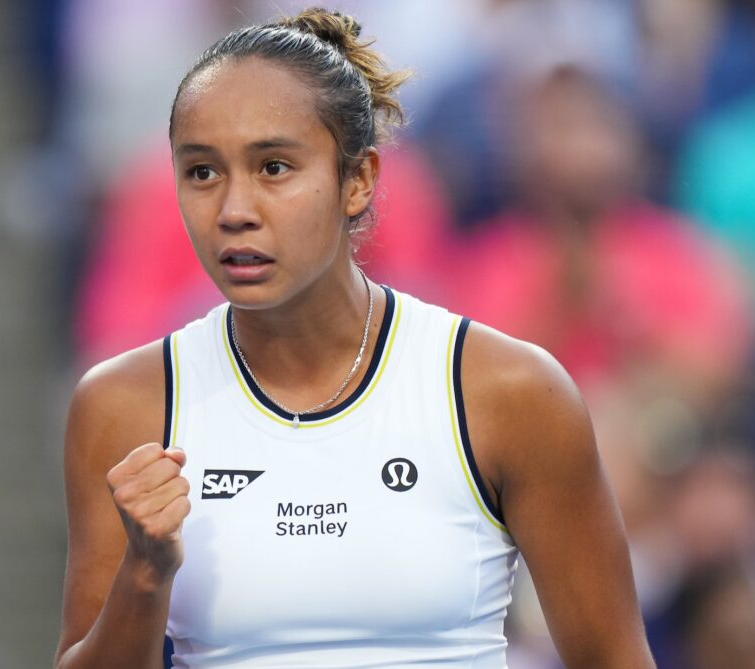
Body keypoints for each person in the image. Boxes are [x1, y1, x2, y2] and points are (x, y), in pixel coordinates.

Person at [52, 8, 654, 668]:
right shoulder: (122, 406)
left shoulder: (510, 391)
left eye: (274, 167)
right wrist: (144, 574)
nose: (234, 210)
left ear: (358, 180)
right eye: (202, 172)